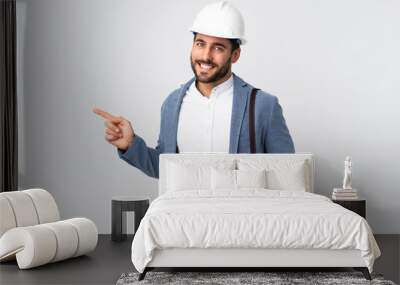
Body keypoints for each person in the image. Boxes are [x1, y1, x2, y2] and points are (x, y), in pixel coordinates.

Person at [93, 1, 295, 179]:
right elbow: (165, 170)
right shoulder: (172, 103)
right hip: (187, 218)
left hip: (241, 219)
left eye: (218, 48)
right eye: (200, 44)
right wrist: (130, 144)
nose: (206, 56)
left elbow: (288, 175)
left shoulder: (263, 106)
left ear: (235, 55)